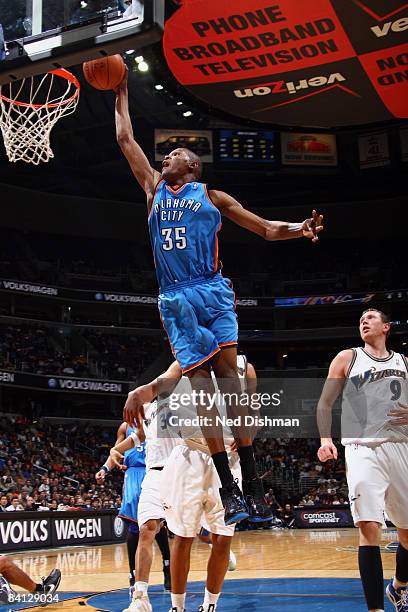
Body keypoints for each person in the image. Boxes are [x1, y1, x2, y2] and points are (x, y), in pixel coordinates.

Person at [115, 71, 324, 525]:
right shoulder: (153, 190)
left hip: (212, 291)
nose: (165, 158)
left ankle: (252, 484)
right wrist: (121, 91)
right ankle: (231, 492)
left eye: (173, 155)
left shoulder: (211, 195)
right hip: (175, 300)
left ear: (190, 166)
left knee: (232, 381)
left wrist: (298, 229)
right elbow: (125, 137)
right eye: (165, 155)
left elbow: (267, 227)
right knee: (204, 392)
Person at [317, 308, 408, 612]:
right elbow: (325, 402)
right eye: (360, 320)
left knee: (407, 535)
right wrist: (325, 439)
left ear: (386, 326)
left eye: (370, 318)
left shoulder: (404, 362)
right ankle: (375, 609)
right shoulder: (348, 357)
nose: (364, 322)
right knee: (369, 526)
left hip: (400, 447)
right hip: (362, 447)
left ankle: (398, 587)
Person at [160, 355, 256, 612]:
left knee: (223, 538)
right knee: (183, 537)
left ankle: (210, 605)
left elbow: (254, 410)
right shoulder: (185, 359)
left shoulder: (245, 366)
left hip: (228, 461)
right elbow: (163, 384)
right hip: (189, 456)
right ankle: (177, 607)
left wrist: (250, 431)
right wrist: (146, 391)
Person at [95, 422, 170, 596]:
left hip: (155, 470)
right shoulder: (124, 427)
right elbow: (116, 451)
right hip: (134, 474)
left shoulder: (156, 418)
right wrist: (105, 469)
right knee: (136, 526)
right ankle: (133, 574)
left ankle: (167, 566)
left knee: (159, 523)